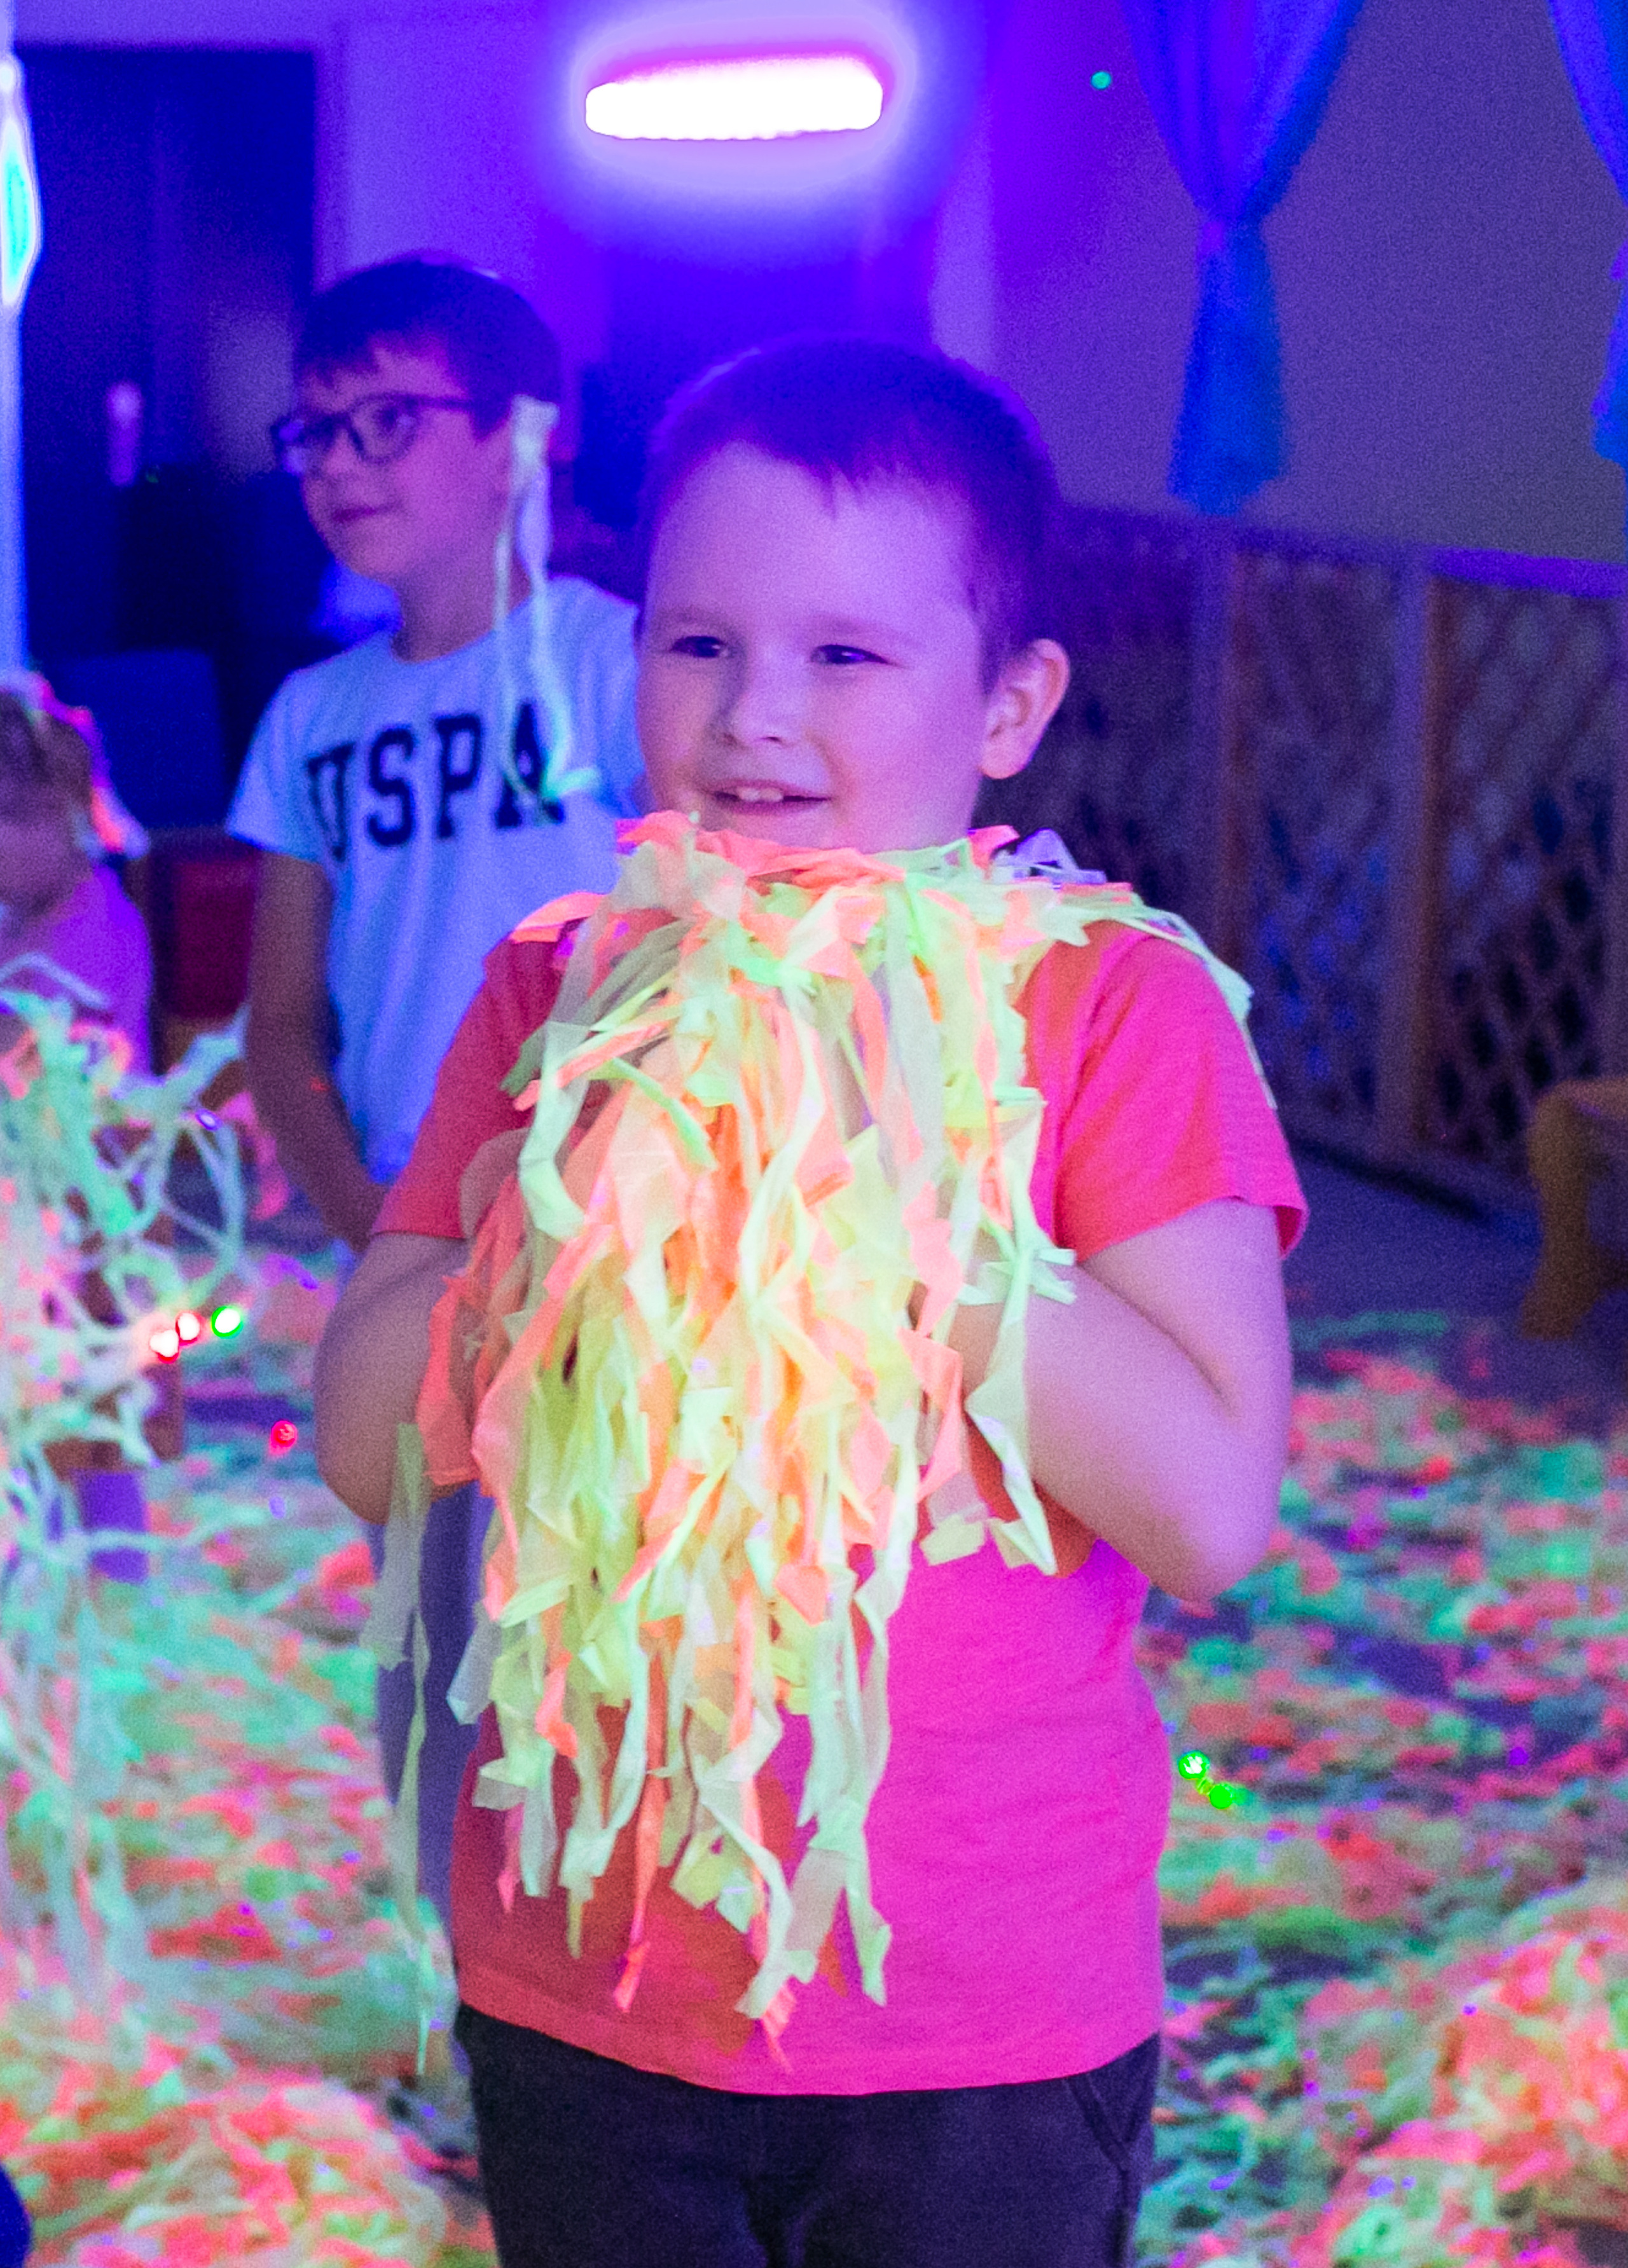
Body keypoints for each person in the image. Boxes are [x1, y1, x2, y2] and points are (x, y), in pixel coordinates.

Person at [314, 337, 1305, 2268]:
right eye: (696, 645)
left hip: (977, 2013)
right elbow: (366, 1445)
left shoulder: (1109, 1006)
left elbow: (1206, 1508)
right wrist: (591, 1161)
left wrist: (870, 1146)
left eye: (845, 657)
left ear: (1008, 704)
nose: (751, 715)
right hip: (585, 1979)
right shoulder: (560, 992)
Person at [230, 256, 644, 1925]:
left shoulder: (630, 663)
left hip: (634, 1262)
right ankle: (478, 2023)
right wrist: (384, 1245)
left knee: (626, 1648)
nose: (339, 463)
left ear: (521, 437)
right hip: (427, 1265)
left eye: (388, 419)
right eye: (314, 432)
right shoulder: (314, 717)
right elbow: (280, 1027)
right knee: (444, 1668)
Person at [0, 680, 158, 1582]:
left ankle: (106, 1587)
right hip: (37, 1227)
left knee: (95, 1415)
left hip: (87, 1226)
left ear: (58, 814)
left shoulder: (93, 923)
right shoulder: (28, 923)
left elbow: (35, 1044)